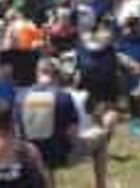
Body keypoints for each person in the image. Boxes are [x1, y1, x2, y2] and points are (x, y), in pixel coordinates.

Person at [18, 58, 117, 188]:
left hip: (32, 158)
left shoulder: (20, 96)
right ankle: (101, 185)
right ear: (57, 75)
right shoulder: (63, 97)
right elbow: (73, 136)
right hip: (60, 156)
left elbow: (18, 132)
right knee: (101, 137)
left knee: (45, 149)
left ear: (37, 73)